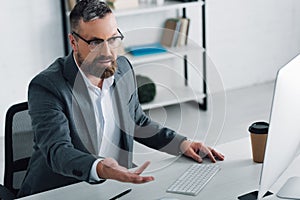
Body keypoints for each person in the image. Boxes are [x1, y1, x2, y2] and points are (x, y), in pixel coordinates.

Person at [18, 0, 224, 197]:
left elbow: (137, 121)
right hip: (62, 190)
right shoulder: (48, 86)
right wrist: (101, 168)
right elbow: (58, 151)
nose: (108, 52)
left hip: (116, 185)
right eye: (96, 43)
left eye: (113, 39)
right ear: (73, 42)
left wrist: (181, 144)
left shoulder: (123, 68)